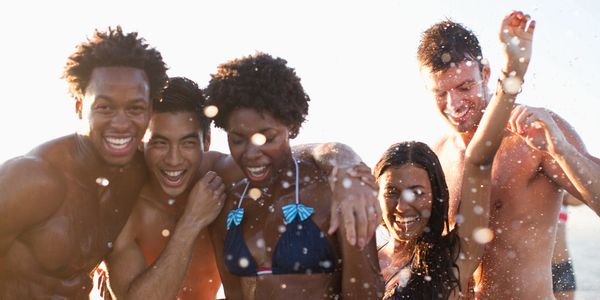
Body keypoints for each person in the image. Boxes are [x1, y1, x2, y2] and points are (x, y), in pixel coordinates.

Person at [100, 77, 382, 299]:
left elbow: (284, 154)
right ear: (140, 142)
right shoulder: (121, 203)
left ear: (207, 141)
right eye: (159, 142)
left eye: (187, 142)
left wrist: (342, 163)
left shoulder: (222, 175)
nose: (174, 159)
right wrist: (192, 221)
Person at [417, 11, 600, 299]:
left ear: (486, 73)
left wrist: (560, 150)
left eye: (465, 87)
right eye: (441, 93)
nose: (454, 104)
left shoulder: (533, 134)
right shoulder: (438, 154)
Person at [0, 27, 168, 298]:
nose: (122, 124)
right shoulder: (33, 179)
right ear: (80, 107)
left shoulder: (137, 174)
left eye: (135, 108)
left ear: (150, 111)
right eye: (105, 107)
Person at [374, 11, 532, 299]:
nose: (404, 204)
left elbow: (478, 158)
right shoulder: (361, 260)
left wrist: (514, 70)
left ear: (436, 198)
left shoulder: (449, 265)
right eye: (392, 191)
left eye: (417, 191)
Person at [205, 53, 384, 299]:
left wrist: (342, 162)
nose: (252, 154)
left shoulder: (335, 192)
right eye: (238, 140)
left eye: (267, 138)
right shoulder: (229, 204)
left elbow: (367, 293)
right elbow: (234, 292)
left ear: (292, 127)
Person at [552, 193, 582, 300]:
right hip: (534, 267)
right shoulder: (528, 198)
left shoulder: (562, 198)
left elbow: (587, 194)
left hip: (561, 266)